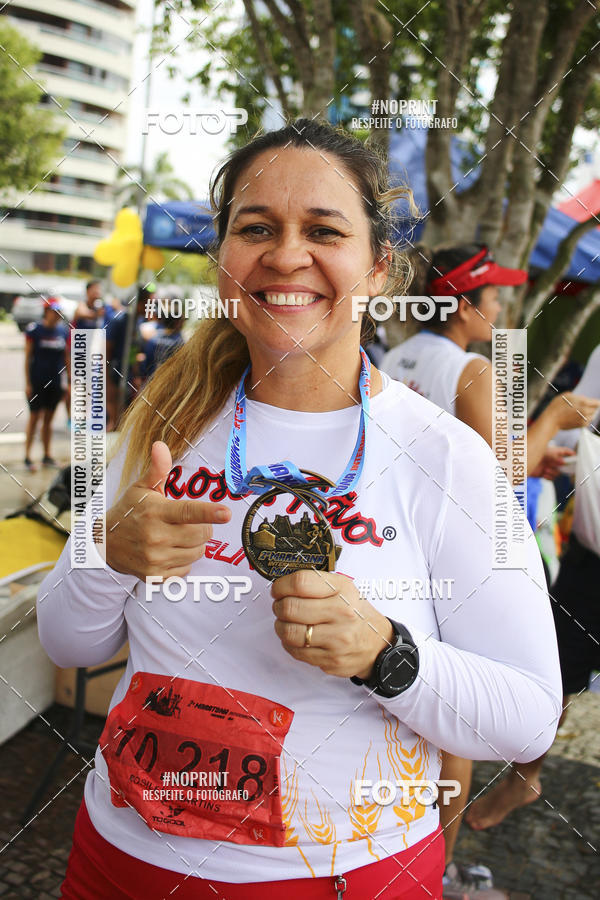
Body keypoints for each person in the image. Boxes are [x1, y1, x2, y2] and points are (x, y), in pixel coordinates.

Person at [39, 119, 562, 900]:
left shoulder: (446, 457)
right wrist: (106, 555)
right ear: (223, 264)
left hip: (336, 874)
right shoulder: (163, 420)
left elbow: (526, 717)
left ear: (379, 268)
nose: (286, 255)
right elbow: (68, 641)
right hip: (119, 856)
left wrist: (387, 653)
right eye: (256, 228)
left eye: (323, 229)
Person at [380, 244, 600, 899]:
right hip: (460, 563)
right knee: (454, 729)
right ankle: (434, 874)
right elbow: (496, 483)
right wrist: (555, 420)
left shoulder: (398, 357)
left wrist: (531, 456)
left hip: (403, 554)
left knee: (412, 718)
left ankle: (400, 859)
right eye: (495, 295)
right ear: (466, 304)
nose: (502, 306)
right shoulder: (471, 369)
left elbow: (443, 457)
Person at [466, 342, 600, 834]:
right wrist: (546, 445)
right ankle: (526, 776)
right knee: (559, 669)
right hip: (591, 554)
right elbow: (576, 425)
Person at [24, 298, 68, 472]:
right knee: (34, 418)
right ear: (46, 312)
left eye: (59, 312)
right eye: (53, 311)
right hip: (37, 381)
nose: (57, 315)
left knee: (49, 420)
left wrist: (67, 382)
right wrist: (28, 383)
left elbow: (66, 358)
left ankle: (46, 455)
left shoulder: (62, 332)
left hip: (55, 383)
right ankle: (27, 456)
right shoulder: (35, 330)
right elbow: (27, 358)